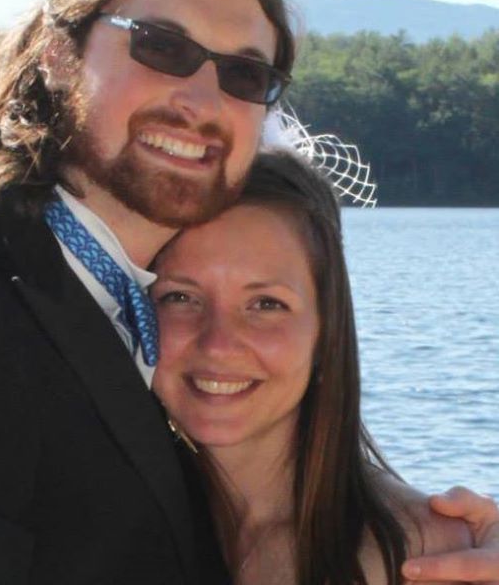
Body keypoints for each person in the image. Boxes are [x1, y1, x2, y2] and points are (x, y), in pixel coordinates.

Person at [0, 0, 497, 584]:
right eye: (161, 46)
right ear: (59, 53)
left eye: (244, 74)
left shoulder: (118, 304)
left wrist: (407, 525)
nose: (200, 101)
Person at [151, 149, 497, 585]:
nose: (218, 345)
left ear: (327, 331)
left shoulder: (417, 555)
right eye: (180, 297)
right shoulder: (109, 518)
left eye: (266, 304)